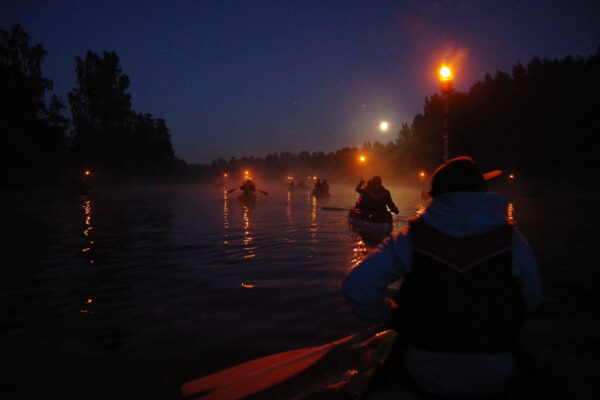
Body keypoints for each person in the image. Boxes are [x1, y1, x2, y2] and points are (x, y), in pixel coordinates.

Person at [343, 156, 543, 398]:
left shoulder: (410, 238)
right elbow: (533, 298)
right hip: (496, 373)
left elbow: (356, 287)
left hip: (425, 373)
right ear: (481, 191)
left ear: (435, 196)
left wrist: (391, 315)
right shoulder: (511, 240)